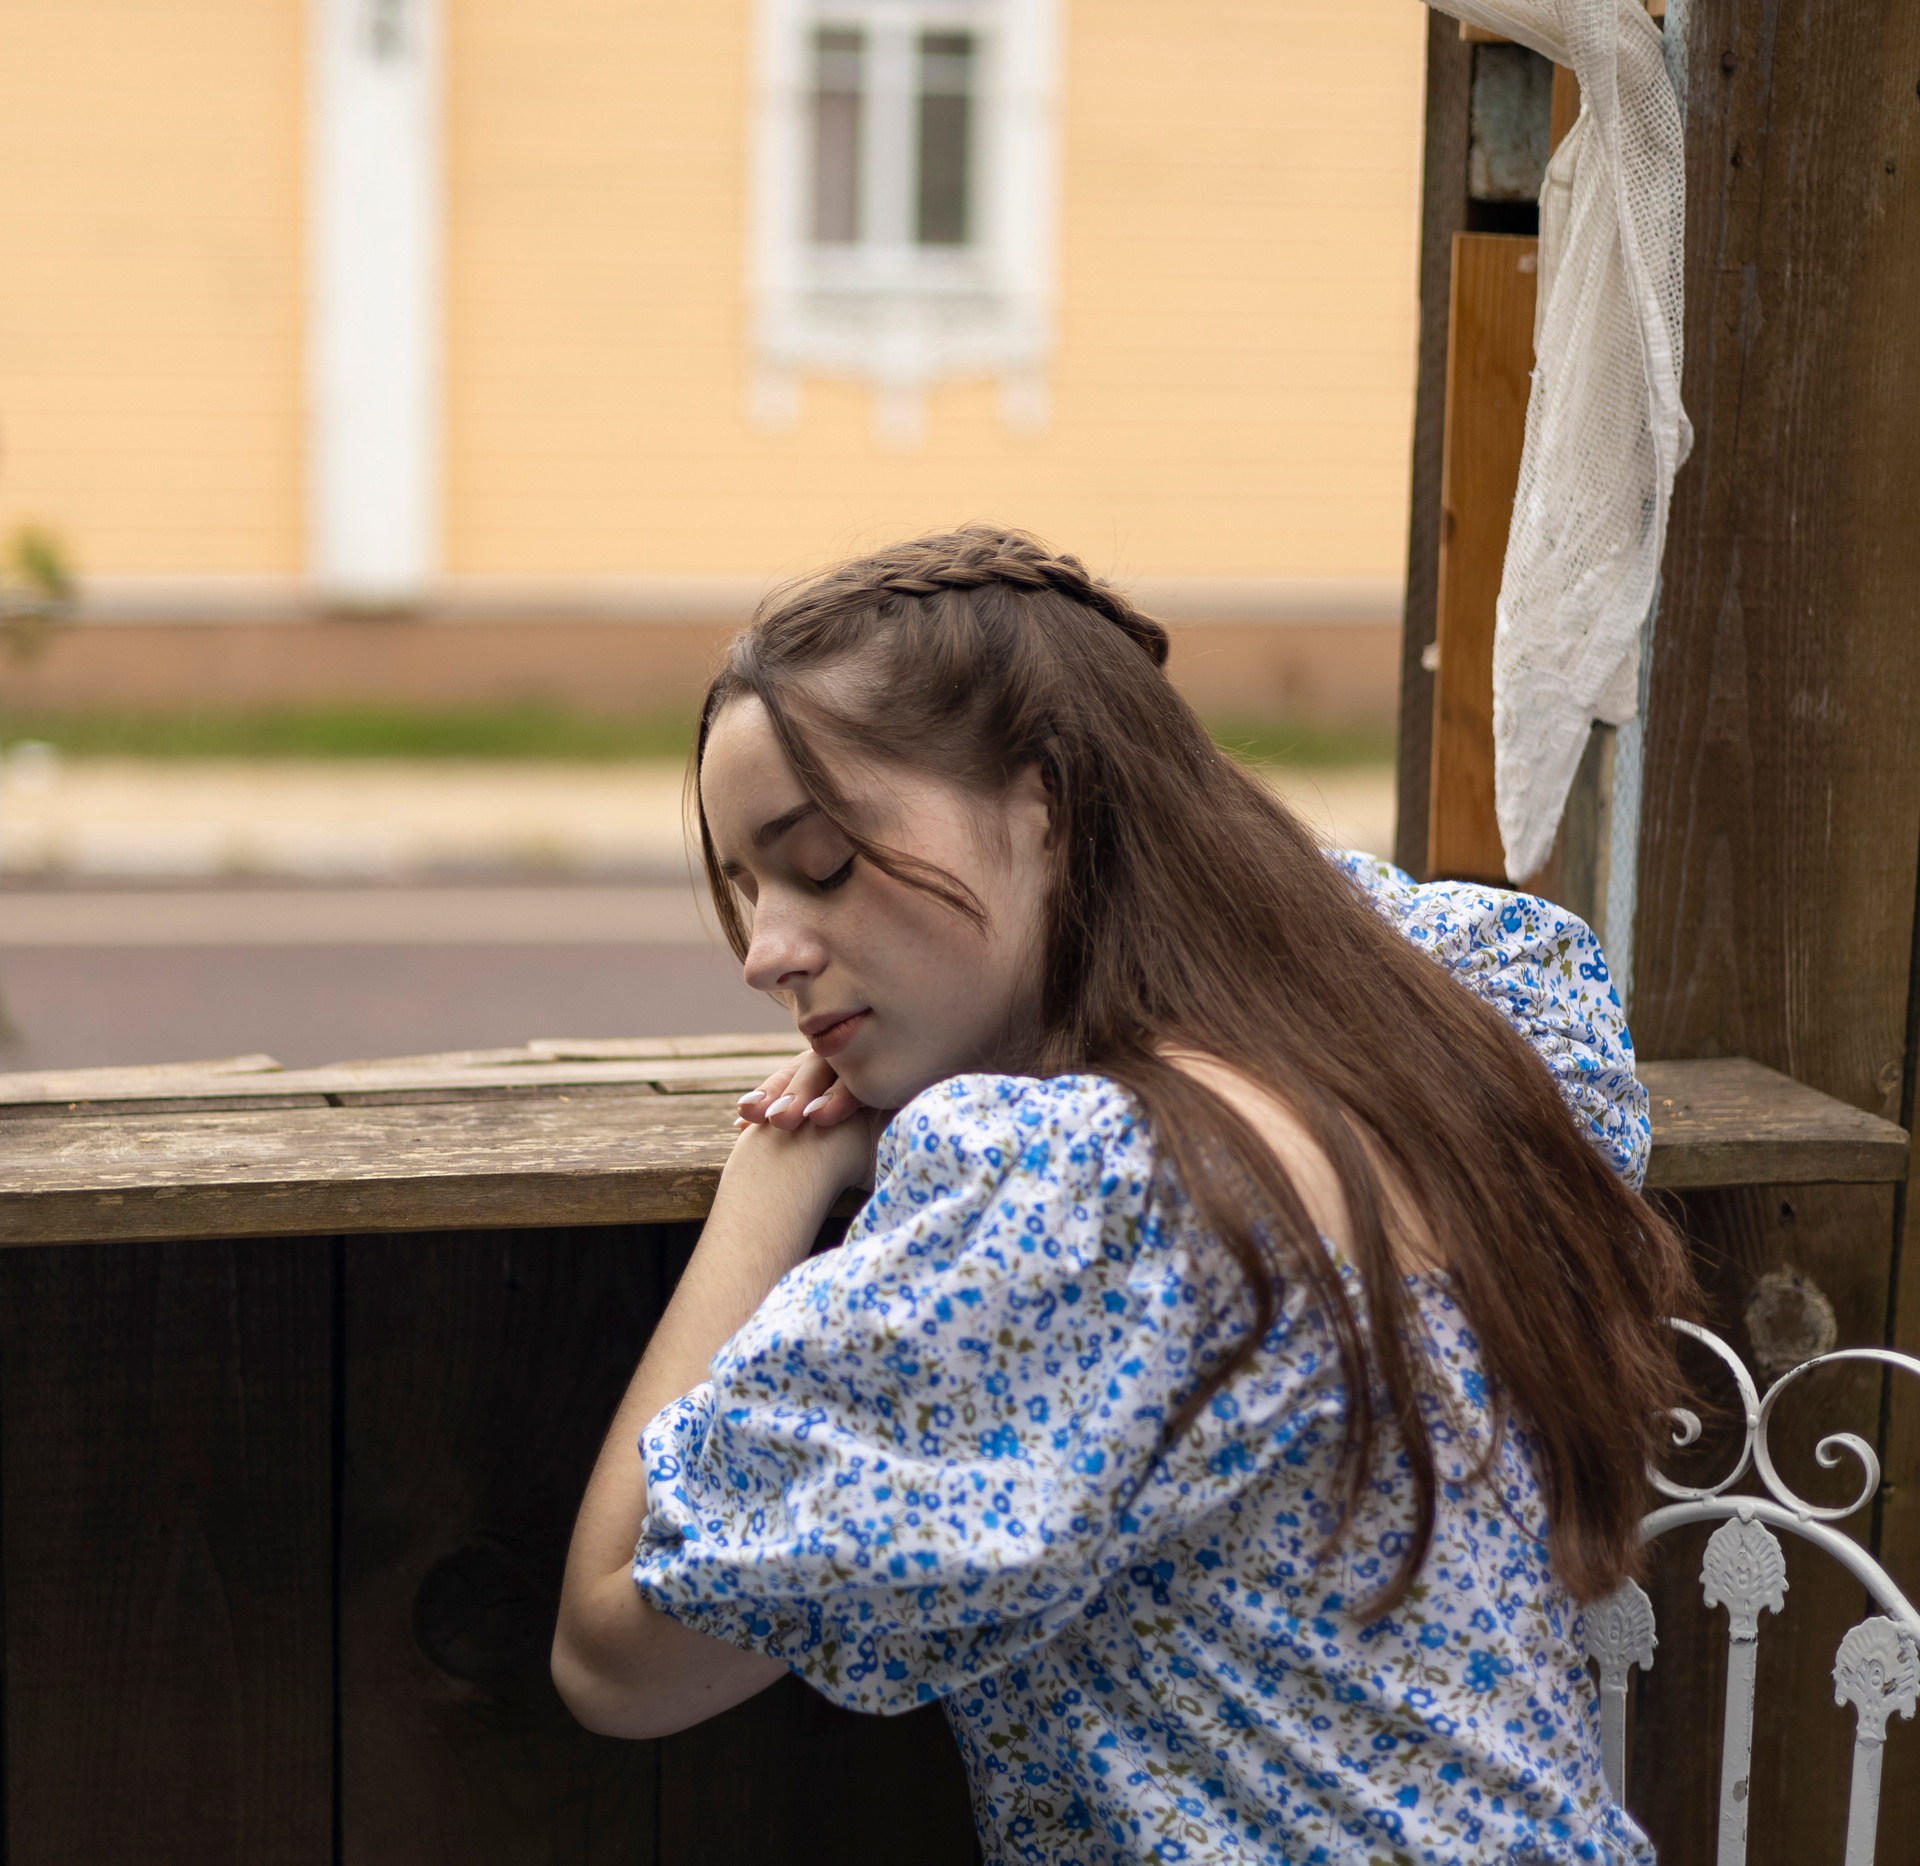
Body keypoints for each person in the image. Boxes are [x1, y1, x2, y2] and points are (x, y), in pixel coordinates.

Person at [552, 527, 1696, 1864]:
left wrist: (775, 1170)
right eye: (746, 889)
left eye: (822, 863)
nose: (765, 953)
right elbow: (1259, 885)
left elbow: (613, 1650)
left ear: (1050, 802)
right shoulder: (1443, 1020)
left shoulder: (1089, 1199)